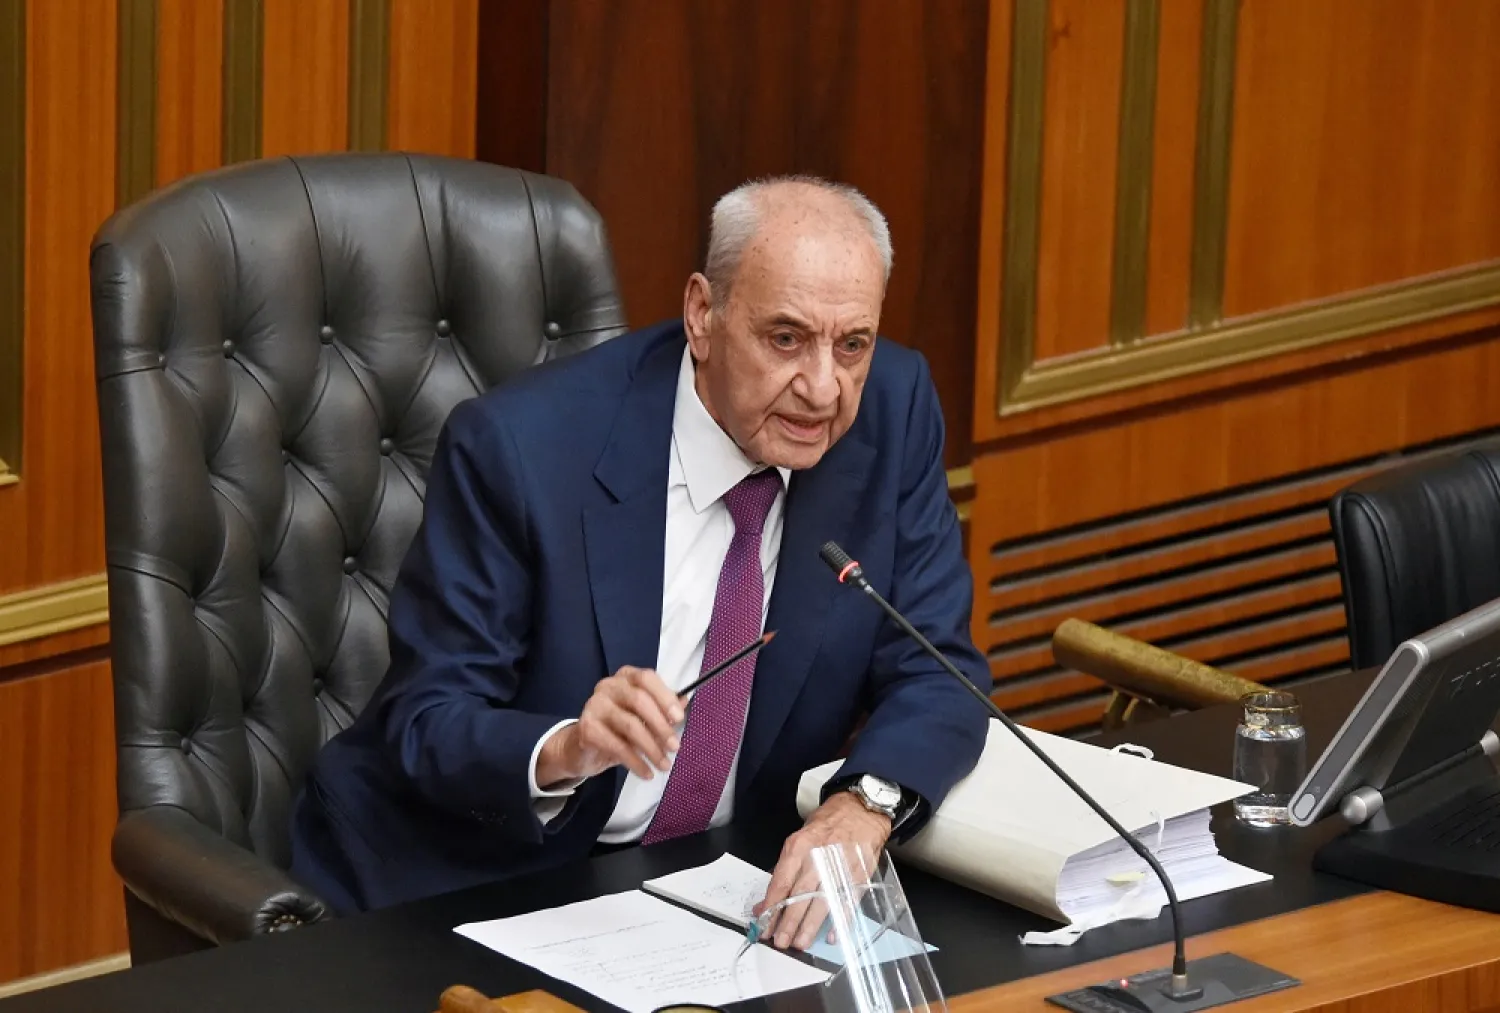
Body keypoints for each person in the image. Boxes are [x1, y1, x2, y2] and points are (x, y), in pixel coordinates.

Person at [289, 175, 991, 951]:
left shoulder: (892, 411)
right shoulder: (520, 450)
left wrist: (862, 803)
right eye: (785, 338)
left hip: (709, 894)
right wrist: (567, 747)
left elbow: (937, 669)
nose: (823, 387)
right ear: (703, 314)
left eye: (852, 344)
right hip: (463, 888)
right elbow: (425, 723)